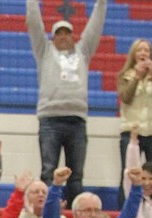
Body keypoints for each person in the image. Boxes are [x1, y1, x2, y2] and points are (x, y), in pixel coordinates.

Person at [25, 0, 107, 205]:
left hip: (77, 120)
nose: (63, 37)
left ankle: (74, 214)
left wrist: (101, 4)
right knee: (48, 170)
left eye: (67, 33)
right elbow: (34, 25)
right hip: (50, 119)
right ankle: (46, 211)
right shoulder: (44, 52)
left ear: (73, 36)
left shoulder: (83, 52)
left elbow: (95, 27)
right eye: (58, 33)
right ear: (53, 38)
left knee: (76, 175)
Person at [116, 39, 152, 175]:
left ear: (151, 55)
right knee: (129, 173)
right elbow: (126, 98)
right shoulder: (125, 76)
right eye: (139, 50)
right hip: (131, 131)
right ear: (133, 54)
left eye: (146, 50)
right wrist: (137, 78)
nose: (143, 53)